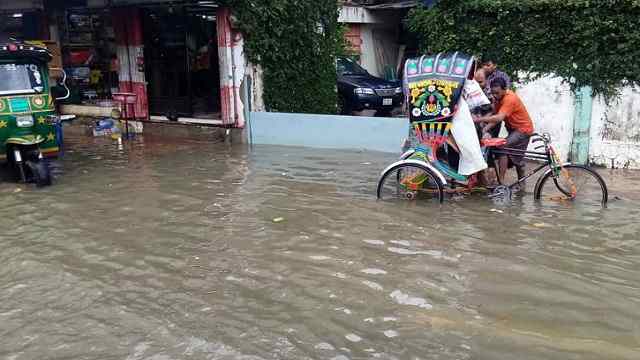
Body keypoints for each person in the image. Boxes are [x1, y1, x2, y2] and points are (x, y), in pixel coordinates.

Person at [474, 77, 534, 184]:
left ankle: (501, 181)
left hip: (523, 129)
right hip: (514, 130)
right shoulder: (498, 99)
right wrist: (485, 129)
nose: (494, 95)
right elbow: (496, 117)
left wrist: (478, 119)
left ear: (504, 89)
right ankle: (521, 184)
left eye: (497, 93)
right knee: (516, 158)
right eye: (492, 93)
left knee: (503, 147)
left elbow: (498, 118)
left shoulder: (509, 99)